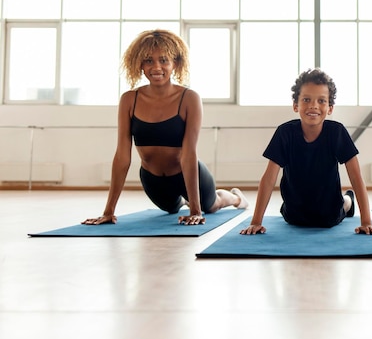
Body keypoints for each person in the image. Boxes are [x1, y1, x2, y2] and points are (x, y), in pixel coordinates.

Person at [82, 29, 248, 226]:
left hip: (186, 172)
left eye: (163, 60)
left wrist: (196, 209)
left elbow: (189, 153)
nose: (156, 67)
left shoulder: (189, 98)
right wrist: (108, 211)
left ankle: (236, 198)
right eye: (148, 61)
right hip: (152, 179)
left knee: (210, 206)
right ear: (139, 64)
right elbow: (122, 157)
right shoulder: (129, 100)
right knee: (171, 208)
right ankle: (184, 200)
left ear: (175, 63)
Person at [240, 68, 372, 235]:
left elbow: (356, 176)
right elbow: (268, 178)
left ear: (330, 108)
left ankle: (347, 200)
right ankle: (345, 200)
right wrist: (256, 222)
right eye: (307, 99)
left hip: (329, 213)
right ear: (296, 105)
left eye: (322, 101)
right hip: (294, 214)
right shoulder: (285, 133)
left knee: (344, 204)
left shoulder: (336, 132)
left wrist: (366, 221)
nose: (313, 106)